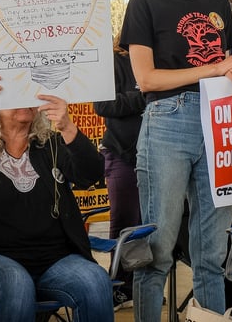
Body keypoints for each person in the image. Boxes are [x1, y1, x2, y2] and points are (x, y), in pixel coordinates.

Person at [120, 0, 232, 320]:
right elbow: (145, 78)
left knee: (212, 253)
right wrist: (214, 68)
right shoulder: (145, 1)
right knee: (157, 250)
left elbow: (227, 63)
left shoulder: (218, 5)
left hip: (220, 120)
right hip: (168, 122)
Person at [0, 68, 113, 322]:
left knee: (95, 280)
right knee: (16, 280)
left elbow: (90, 174)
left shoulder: (51, 144)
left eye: (29, 93)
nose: (24, 100)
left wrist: (67, 127)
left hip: (54, 260)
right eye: (14, 94)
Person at [93, 40, 145, 311]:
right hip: (121, 153)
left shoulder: (161, 56)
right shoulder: (113, 61)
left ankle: (140, 287)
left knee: (147, 224)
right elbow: (102, 104)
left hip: (156, 155)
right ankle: (117, 288)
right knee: (124, 222)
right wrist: (146, 94)